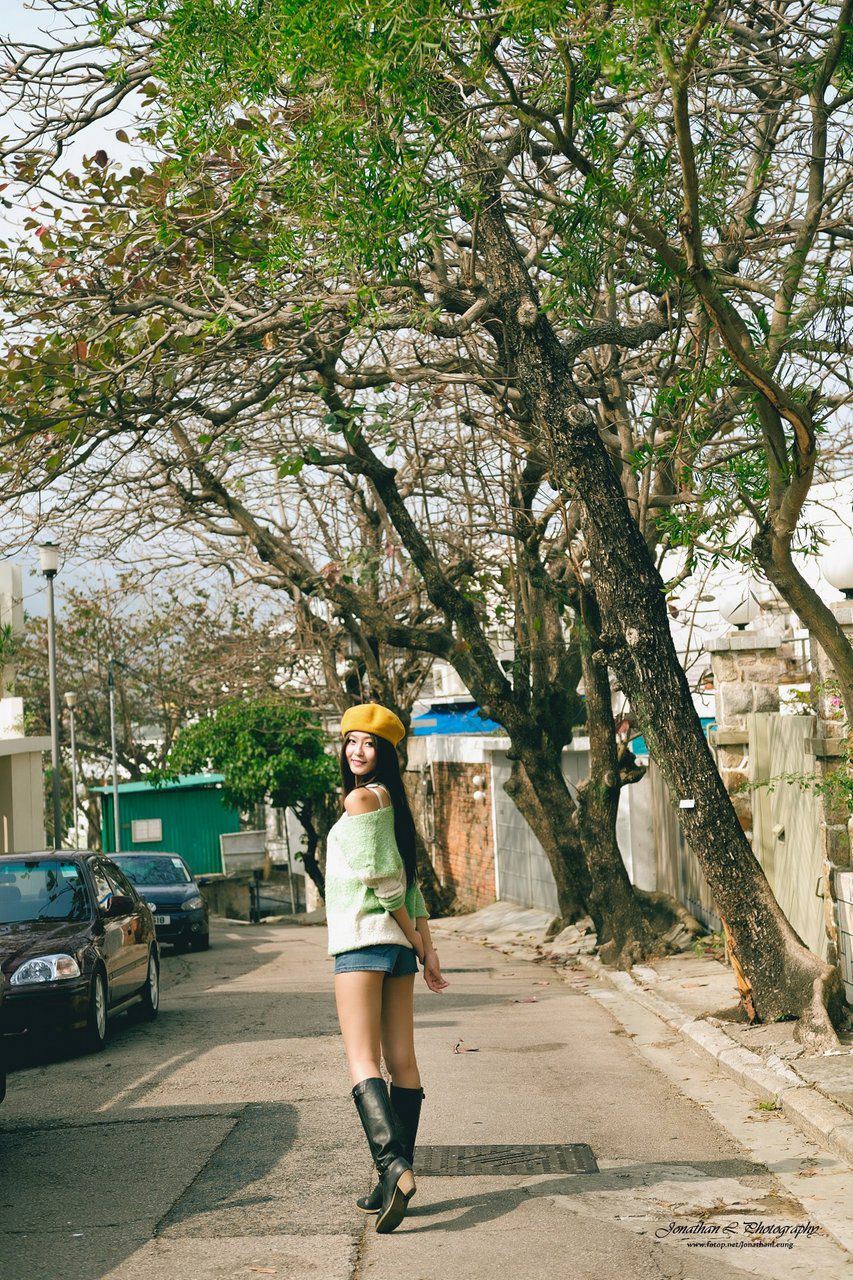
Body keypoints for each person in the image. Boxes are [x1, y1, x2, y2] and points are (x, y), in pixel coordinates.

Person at [326, 702, 449, 1234]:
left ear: (386, 753)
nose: (357, 751)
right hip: (397, 948)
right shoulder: (392, 802)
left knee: (362, 1059)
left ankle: (392, 1166)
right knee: (404, 1060)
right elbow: (409, 877)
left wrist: (420, 942)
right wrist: (423, 943)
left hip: (362, 941)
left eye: (369, 743)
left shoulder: (359, 800)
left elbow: (386, 881)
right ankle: (391, 1179)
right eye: (352, 740)